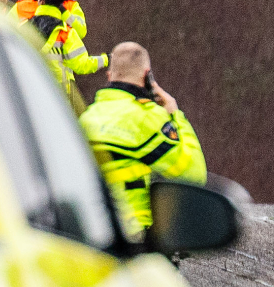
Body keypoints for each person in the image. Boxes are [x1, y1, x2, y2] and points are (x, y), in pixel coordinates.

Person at [79, 43, 204, 233]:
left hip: (89, 234)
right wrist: (175, 115)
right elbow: (194, 175)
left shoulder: (84, 119)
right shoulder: (147, 118)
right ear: (147, 76)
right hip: (132, 238)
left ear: (109, 76)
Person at [21, 0, 105, 109]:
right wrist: (106, 59)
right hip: (58, 97)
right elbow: (82, 65)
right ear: (62, 4)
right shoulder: (66, 32)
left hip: (28, 93)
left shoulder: (22, 28)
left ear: (41, 1)